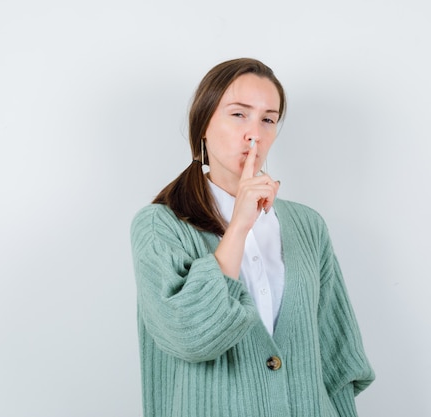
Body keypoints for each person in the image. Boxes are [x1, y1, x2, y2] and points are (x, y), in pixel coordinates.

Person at [130, 58, 374, 417]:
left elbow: (338, 362)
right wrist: (239, 226)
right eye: (238, 114)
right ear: (203, 124)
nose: (254, 133)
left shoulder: (307, 225)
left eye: (268, 119)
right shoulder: (159, 226)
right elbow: (189, 336)